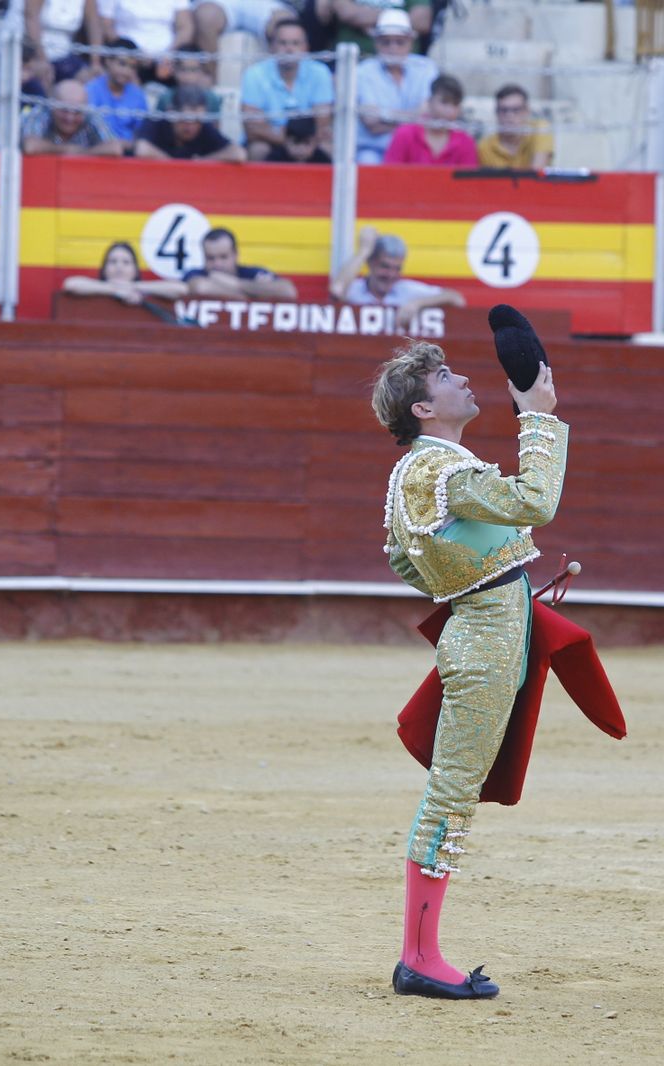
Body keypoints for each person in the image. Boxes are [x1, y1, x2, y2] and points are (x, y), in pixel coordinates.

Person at [372, 339, 564, 1001]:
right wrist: (537, 418)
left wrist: (480, 583)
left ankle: (420, 951)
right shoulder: (437, 469)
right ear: (425, 406)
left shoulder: (427, 468)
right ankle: (419, 957)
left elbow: (404, 558)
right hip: (483, 645)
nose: (464, 380)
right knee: (450, 797)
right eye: (448, 377)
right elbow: (537, 502)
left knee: (454, 792)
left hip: (483, 634)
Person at [330, 226, 463, 330]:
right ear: (371, 262)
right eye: (385, 266)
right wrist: (364, 250)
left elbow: (456, 298)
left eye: (397, 269)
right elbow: (337, 289)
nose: (391, 275)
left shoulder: (407, 291)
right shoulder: (355, 289)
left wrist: (417, 304)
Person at [239, 17, 332, 160]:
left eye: (295, 43)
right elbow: (252, 127)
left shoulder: (320, 72)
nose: (289, 49)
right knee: (258, 149)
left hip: (308, 143)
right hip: (271, 142)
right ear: (272, 47)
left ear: (306, 48)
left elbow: (322, 123)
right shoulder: (254, 73)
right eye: (283, 43)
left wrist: (299, 141)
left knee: (329, 148)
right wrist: (289, 140)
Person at [354, 9, 436, 164]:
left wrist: (385, 117)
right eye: (386, 42)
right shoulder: (363, 71)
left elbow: (428, 116)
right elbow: (371, 122)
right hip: (375, 150)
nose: (393, 48)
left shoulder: (426, 67)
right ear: (376, 43)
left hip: (416, 149)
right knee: (367, 161)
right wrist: (412, 119)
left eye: (400, 42)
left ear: (411, 42)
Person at [133, 82, 245, 159]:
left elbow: (238, 154)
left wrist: (201, 162)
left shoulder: (203, 127)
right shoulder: (157, 121)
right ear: (171, 112)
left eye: (197, 120)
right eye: (186, 119)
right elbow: (142, 149)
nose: (191, 127)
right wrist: (175, 166)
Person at [383, 73, 475, 166]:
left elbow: (469, 179)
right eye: (444, 102)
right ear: (429, 101)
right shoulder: (405, 134)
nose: (449, 110)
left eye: (455, 104)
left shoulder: (465, 142)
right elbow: (390, 175)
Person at [61, 240, 193, 305]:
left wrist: (134, 287)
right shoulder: (96, 288)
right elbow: (71, 284)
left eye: (126, 262)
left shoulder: (140, 288)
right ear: (104, 269)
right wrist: (113, 289)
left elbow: (181, 289)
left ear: (135, 270)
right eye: (113, 262)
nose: (119, 267)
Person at [182, 227, 298, 299]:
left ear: (235, 254)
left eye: (223, 257)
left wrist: (236, 284)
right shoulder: (196, 273)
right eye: (210, 258)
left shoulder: (251, 272)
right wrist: (255, 292)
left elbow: (288, 291)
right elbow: (201, 288)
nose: (217, 264)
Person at [23, 78, 123, 155]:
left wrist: (80, 153)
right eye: (64, 110)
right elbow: (30, 146)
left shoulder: (89, 113)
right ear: (52, 105)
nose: (70, 118)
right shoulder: (41, 111)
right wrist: (66, 149)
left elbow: (115, 148)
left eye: (77, 112)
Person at [86, 37, 151, 142]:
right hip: (97, 151)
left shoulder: (137, 95)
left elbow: (142, 132)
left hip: (128, 154)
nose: (127, 71)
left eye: (133, 67)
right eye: (122, 64)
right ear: (108, 61)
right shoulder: (91, 90)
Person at [476, 83, 552, 170]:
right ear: (496, 113)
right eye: (504, 110)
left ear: (527, 111)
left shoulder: (540, 129)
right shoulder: (485, 147)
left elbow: (537, 175)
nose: (509, 116)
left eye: (516, 110)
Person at [317, 0, 429, 58]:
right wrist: (398, 19)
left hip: (402, 64)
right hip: (353, 61)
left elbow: (422, 21)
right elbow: (346, 13)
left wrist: (365, 17)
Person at [25, 0, 103, 80]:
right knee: (44, 75)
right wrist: (41, 58)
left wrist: (95, 62)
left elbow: (94, 24)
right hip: (36, 51)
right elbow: (31, 18)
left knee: (91, 80)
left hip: (66, 54)